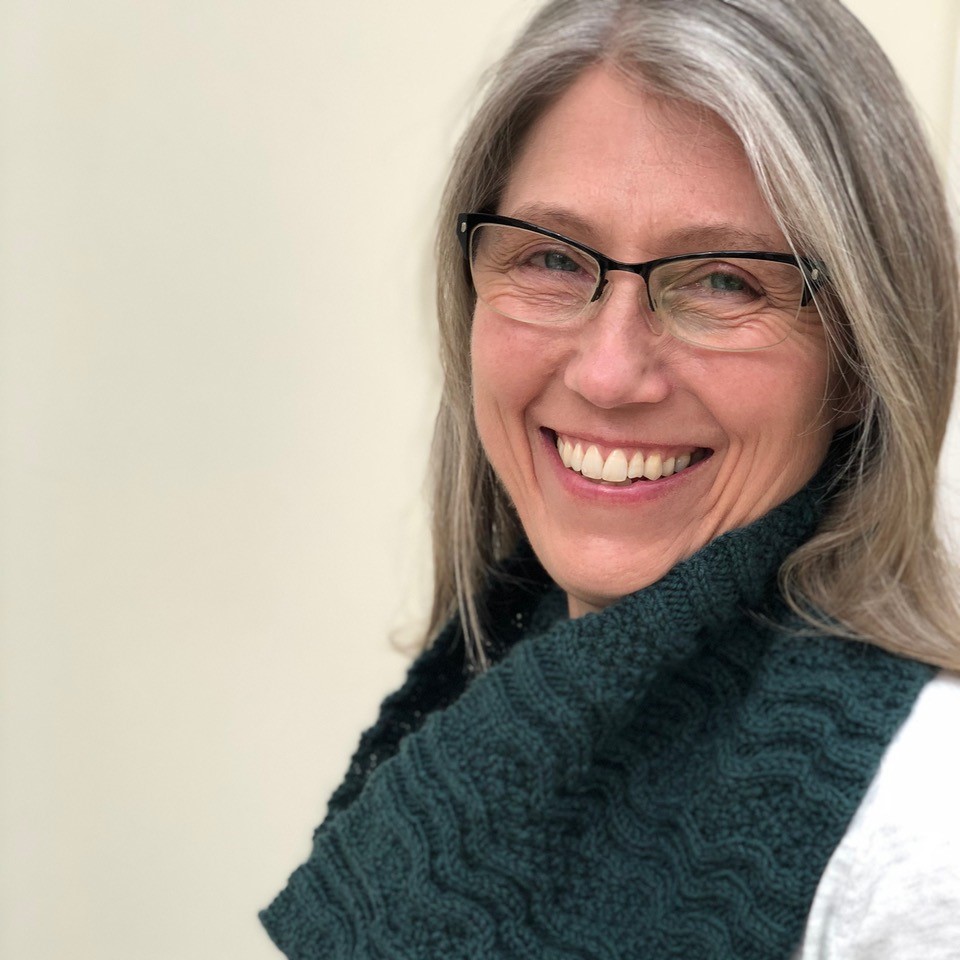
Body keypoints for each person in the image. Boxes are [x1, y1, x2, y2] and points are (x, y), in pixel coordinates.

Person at [261, 0, 960, 956]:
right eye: (550, 258)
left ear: (857, 363)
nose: (607, 372)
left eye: (724, 281)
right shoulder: (488, 701)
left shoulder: (922, 838)